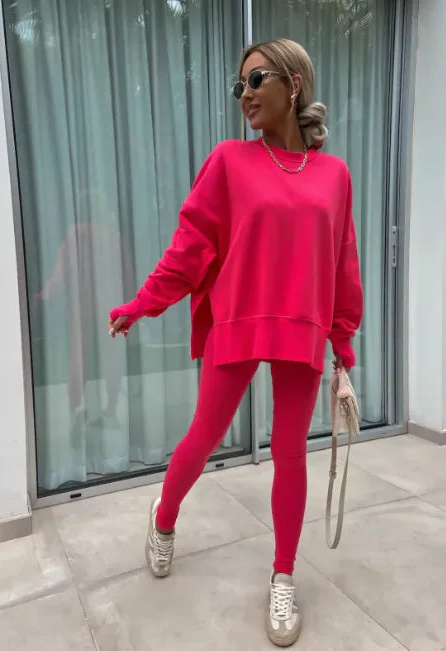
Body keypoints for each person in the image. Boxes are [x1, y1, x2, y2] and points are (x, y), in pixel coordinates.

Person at [108, 38, 363, 648]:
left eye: (255, 80)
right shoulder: (229, 161)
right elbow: (190, 248)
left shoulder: (334, 175)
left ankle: (283, 576)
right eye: (238, 85)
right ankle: (163, 518)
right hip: (238, 319)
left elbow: (342, 261)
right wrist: (143, 303)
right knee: (203, 436)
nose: (243, 94)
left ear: (292, 85)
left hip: (301, 326)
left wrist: (343, 341)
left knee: (290, 452)